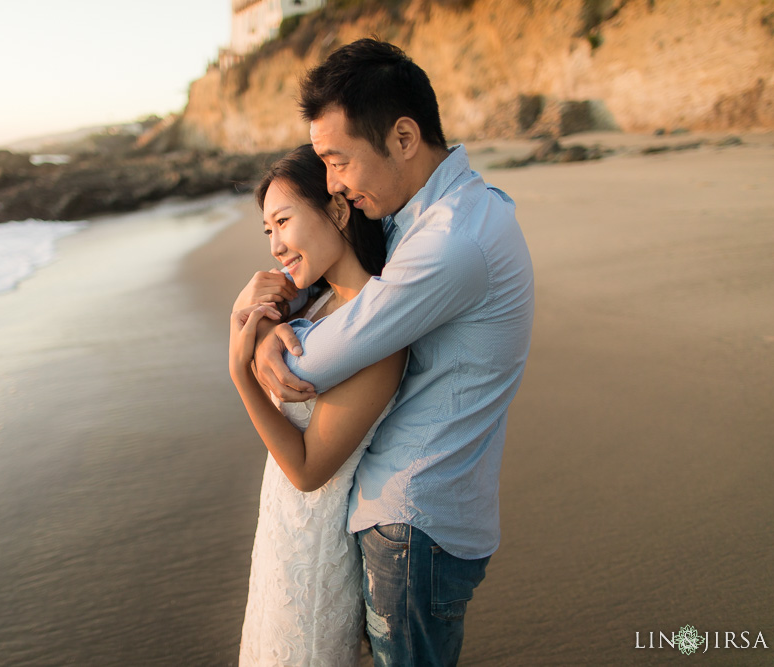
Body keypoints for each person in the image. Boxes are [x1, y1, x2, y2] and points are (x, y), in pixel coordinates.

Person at [249, 39, 535, 666]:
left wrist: (259, 333)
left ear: (404, 138)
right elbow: (351, 284)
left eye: (337, 160)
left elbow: (308, 363)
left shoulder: (449, 242)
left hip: (415, 521)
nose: (332, 184)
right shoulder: (437, 215)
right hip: (421, 519)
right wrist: (286, 307)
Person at [229, 145, 408, 666]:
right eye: (267, 231)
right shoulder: (318, 302)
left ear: (336, 210)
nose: (277, 245)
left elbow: (308, 471)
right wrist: (252, 320)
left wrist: (240, 373)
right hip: (282, 537)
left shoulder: (377, 331)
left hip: (315, 552)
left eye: (283, 221)